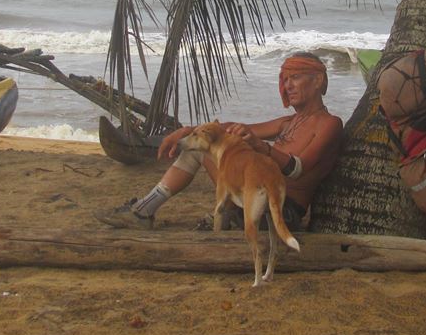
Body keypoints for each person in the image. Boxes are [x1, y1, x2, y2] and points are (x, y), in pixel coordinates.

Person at [97, 52, 344, 230]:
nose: (287, 86)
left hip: (281, 211)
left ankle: (143, 212)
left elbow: (298, 170)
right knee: (202, 145)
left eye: (295, 77)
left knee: (202, 150)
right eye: (284, 79)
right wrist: (187, 131)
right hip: (254, 197)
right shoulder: (288, 122)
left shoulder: (329, 123)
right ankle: (149, 209)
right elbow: (231, 128)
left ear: (317, 80)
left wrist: (261, 148)